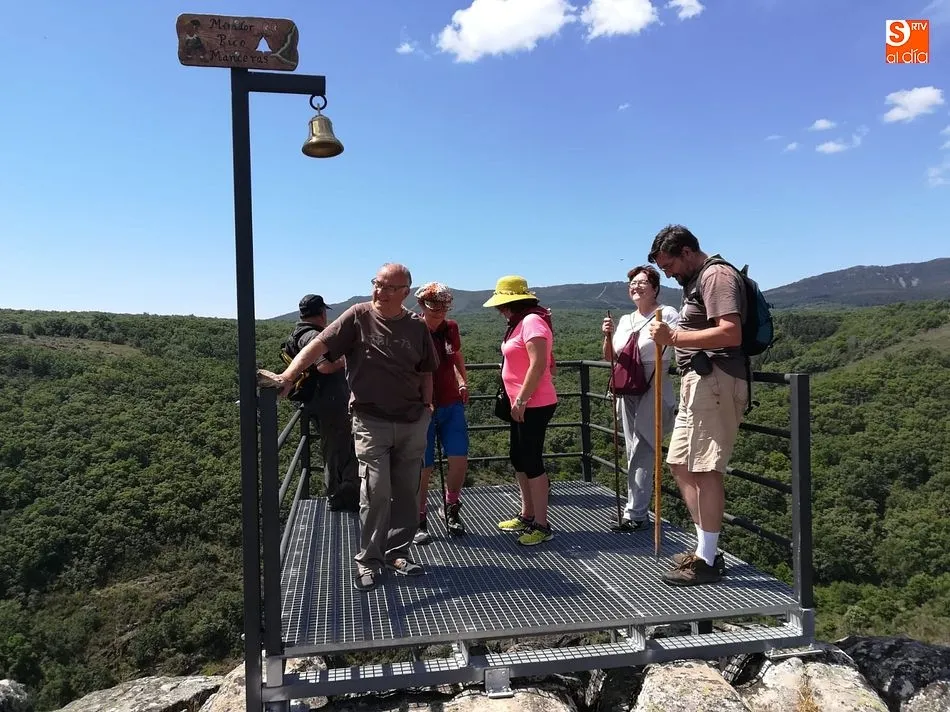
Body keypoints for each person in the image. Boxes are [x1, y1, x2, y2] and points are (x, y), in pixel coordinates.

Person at [258, 263, 439, 593]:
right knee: (376, 489)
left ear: (405, 293)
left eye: (387, 287)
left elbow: (426, 370)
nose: (378, 291)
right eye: (376, 284)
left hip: (412, 421)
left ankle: (397, 554)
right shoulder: (357, 316)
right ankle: (368, 559)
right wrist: (288, 377)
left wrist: (427, 407)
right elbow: (318, 346)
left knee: (407, 493)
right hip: (371, 422)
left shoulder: (416, 327)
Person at [647, 224, 748, 586]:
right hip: (698, 381)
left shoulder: (716, 276)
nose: (669, 274)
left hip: (717, 380)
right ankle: (705, 547)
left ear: (686, 252)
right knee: (679, 464)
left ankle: (707, 559)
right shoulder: (697, 280)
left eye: (670, 265)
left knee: (706, 470)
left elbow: (730, 331)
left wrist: (674, 336)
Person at [601, 266, 679, 532]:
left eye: (643, 282)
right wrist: (607, 336)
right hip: (628, 388)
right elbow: (610, 358)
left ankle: (636, 513)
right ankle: (635, 510)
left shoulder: (667, 313)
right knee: (633, 448)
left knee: (644, 447)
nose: (636, 286)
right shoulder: (625, 319)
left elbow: (673, 344)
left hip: (654, 384)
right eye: (633, 283)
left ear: (655, 287)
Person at [483, 276, 558, 546]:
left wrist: (523, 399)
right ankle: (527, 514)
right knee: (518, 457)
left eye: (503, 305)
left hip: (534, 403)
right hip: (521, 403)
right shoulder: (520, 322)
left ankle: (542, 524)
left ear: (514, 302)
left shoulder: (532, 322)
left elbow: (538, 365)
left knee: (532, 461)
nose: (500, 310)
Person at [286, 294, 359, 512]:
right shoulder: (311, 336)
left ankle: (342, 495)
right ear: (321, 313)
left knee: (336, 449)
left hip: (322, 403)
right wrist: (349, 357)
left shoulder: (299, 333)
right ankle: (341, 498)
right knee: (339, 451)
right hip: (331, 403)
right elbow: (323, 366)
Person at [413, 282, 470, 543]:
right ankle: (419, 518)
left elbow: (455, 357)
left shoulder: (451, 328)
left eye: (443, 307)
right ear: (422, 305)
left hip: (450, 402)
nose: (439, 312)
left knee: (459, 459)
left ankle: (452, 509)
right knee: (424, 467)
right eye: (434, 306)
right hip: (421, 407)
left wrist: (463, 381)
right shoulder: (413, 328)